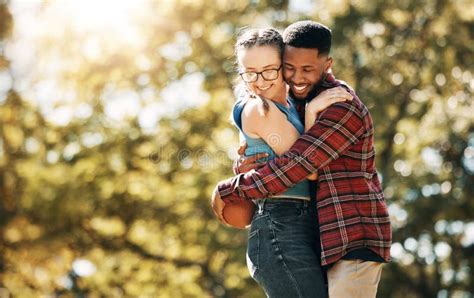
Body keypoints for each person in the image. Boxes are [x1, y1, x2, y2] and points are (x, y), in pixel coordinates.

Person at [212, 21, 392, 298]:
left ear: (327, 64)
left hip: (352, 238)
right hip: (302, 231)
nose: (297, 77)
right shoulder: (291, 102)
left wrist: (234, 188)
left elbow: (299, 165)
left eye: (307, 69)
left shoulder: (339, 105)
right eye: (290, 67)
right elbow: (290, 159)